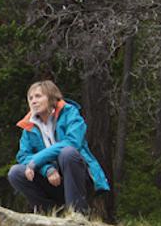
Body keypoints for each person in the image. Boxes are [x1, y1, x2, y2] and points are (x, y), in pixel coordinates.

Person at [7, 80, 110, 214]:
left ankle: (77, 213)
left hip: (78, 178)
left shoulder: (70, 113)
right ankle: (51, 213)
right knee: (15, 173)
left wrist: (37, 160)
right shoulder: (29, 125)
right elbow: (23, 156)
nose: (33, 101)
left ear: (51, 97)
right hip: (52, 182)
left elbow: (73, 142)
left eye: (38, 96)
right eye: (30, 98)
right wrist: (47, 169)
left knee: (67, 153)